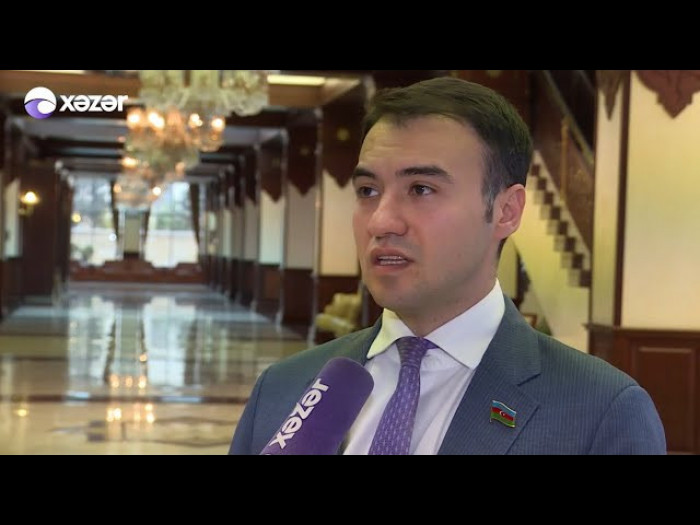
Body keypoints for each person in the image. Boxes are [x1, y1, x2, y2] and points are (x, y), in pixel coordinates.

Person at [229, 76, 667, 455]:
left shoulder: (600, 412)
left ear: (506, 211)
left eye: (420, 189)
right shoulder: (283, 389)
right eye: (367, 191)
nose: (380, 221)